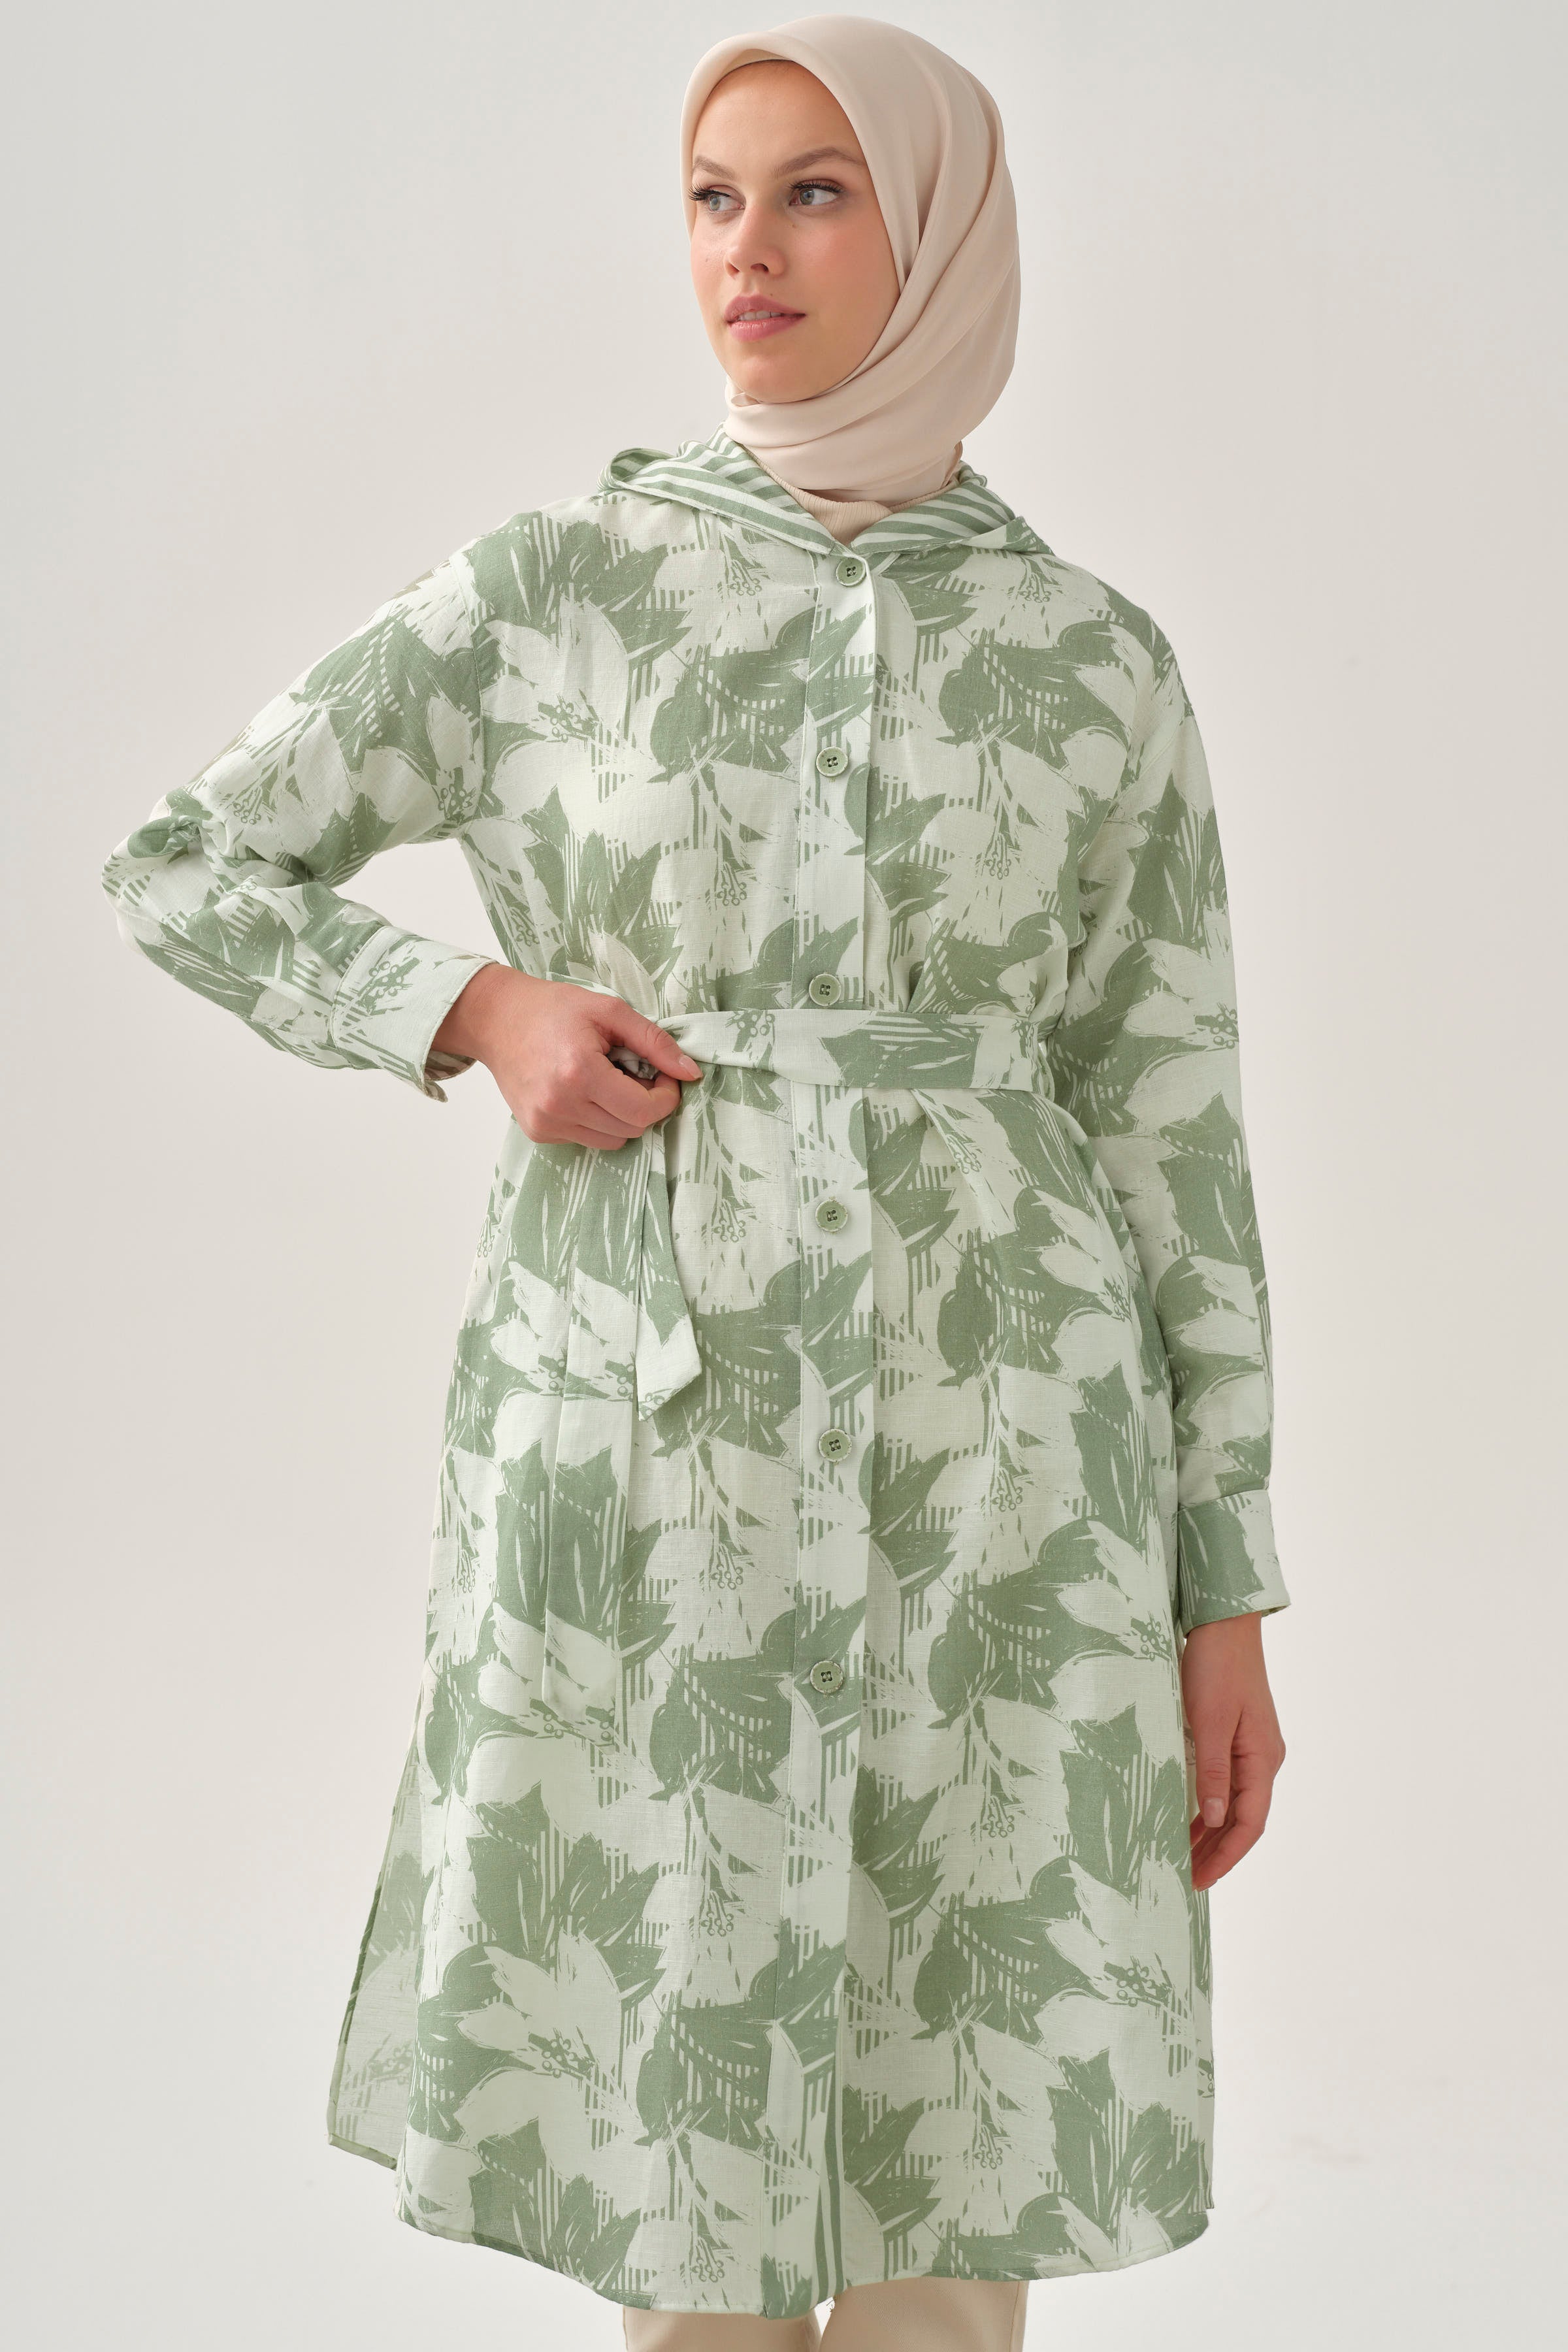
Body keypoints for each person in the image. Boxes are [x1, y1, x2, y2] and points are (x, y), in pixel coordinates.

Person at [99, 14, 1290, 2349]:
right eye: (714, 197)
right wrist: (476, 1007)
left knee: (958, 2129)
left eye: (819, 192)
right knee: (678, 2120)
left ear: (937, 230)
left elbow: (1174, 1124)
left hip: (1009, 1465)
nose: (750, 250)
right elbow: (187, 861)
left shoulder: (1094, 661)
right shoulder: (557, 589)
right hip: (659, 1435)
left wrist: (1224, 1584)